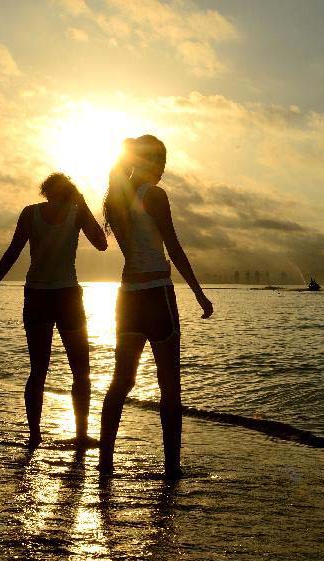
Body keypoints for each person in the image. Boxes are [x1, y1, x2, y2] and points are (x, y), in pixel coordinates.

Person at [99, 135, 213, 479]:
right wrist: (198, 293)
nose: (164, 169)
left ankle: (105, 462)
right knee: (170, 385)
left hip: (128, 295)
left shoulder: (114, 200)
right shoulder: (154, 195)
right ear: (153, 162)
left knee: (121, 380)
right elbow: (174, 248)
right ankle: (172, 467)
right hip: (157, 295)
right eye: (162, 162)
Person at [0, 173, 108, 449]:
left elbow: (100, 243)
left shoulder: (64, 213)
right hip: (54, 296)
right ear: (50, 193)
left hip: (52, 296)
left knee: (53, 370)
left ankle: (45, 436)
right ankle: (57, 435)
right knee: (67, 371)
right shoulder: (40, 214)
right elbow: (13, 252)